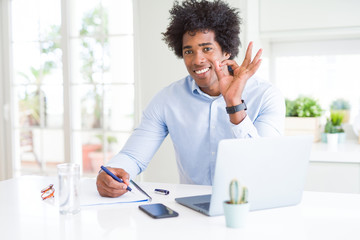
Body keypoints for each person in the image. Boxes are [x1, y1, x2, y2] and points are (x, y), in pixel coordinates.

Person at [96, 0, 285, 197]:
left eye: (207, 48)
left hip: (250, 206)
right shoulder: (167, 99)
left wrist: (234, 104)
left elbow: (264, 166)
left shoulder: (265, 96)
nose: (197, 60)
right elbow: (133, 157)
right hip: (192, 211)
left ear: (226, 51)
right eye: (189, 51)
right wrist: (112, 174)